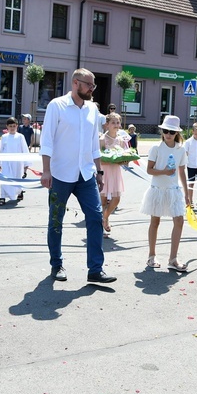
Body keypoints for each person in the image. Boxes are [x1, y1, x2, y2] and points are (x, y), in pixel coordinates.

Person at [40, 68, 116, 284]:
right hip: (60, 174)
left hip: (86, 174)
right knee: (56, 220)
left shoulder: (91, 109)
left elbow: (94, 144)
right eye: (89, 85)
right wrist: (46, 170)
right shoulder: (57, 106)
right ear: (75, 83)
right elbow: (46, 141)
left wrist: (99, 171)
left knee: (95, 217)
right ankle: (57, 264)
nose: (92, 89)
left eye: (93, 86)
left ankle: (95, 269)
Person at [140, 115, 189, 272]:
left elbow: (182, 172)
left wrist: (187, 194)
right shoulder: (156, 148)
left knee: (179, 221)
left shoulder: (180, 150)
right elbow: (149, 170)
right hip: (158, 190)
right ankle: (151, 255)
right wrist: (165, 172)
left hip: (174, 191)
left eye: (172, 132)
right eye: (166, 131)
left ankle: (173, 259)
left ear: (177, 134)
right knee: (155, 222)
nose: (168, 134)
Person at [100, 112, 128, 235]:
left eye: (117, 122)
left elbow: (124, 159)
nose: (116, 125)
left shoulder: (121, 140)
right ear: (107, 124)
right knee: (103, 199)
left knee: (116, 199)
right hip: (104, 170)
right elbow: (98, 158)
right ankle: (101, 223)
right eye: (113, 122)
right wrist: (108, 159)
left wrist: (124, 160)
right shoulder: (102, 139)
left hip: (116, 171)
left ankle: (105, 217)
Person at [0, 117, 29, 206]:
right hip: (6, 162)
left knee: (16, 178)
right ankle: (2, 196)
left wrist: (26, 164)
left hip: (17, 163)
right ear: (7, 127)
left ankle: (19, 192)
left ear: (17, 126)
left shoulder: (20, 137)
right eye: (10, 126)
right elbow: (1, 150)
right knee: (5, 179)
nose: (12, 128)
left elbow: (24, 150)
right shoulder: (4, 137)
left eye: (14, 126)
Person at [184, 123, 197, 210]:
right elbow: (185, 153)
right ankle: (190, 201)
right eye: (196, 134)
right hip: (191, 166)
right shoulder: (188, 142)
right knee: (191, 184)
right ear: (193, 132)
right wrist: (185, 164)